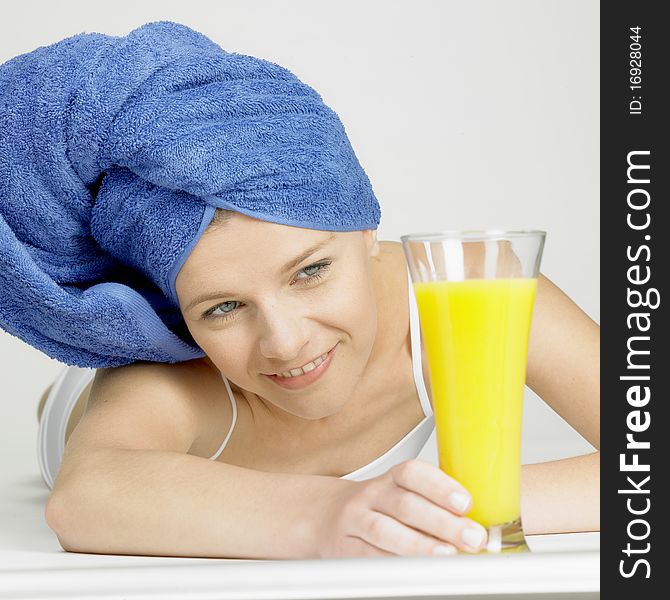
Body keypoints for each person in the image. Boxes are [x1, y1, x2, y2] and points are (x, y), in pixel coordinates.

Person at [2, 22, 599, 560]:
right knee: (69, 409)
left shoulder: (470, 291)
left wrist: (454, 507)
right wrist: (333, 513)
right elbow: (84, 497)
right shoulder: (171, 368)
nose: (285, 343)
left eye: (310, 271)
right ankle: (58, 401)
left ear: (367, 228)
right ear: (179, 310)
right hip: (96, 408)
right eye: (223, 307)